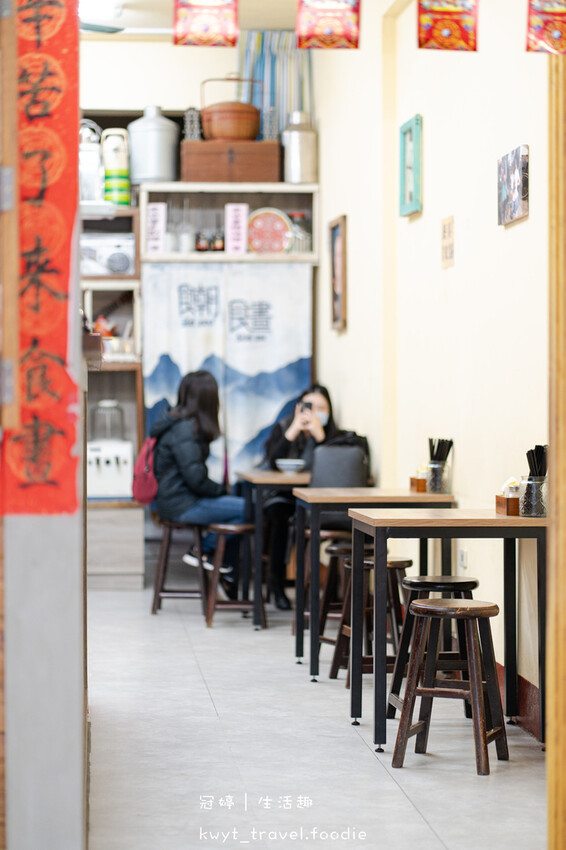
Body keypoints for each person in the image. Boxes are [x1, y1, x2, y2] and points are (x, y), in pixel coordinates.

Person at [150, 370, 245, 600]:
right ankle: (206, 552)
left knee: (244, 505)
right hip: (182, 504)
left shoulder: (180, 423)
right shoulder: (185, 429)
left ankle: (225, 570)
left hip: (176, 500)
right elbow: (196, 479)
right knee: (249, 508)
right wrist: (221, 490)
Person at [262, 384, 340, 610]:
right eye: (309, 406)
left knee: (309, 518)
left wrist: (320, 437)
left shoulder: (333, 435)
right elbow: (270, 461)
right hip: (283, 494)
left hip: (317, 497)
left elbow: (334, 470)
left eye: (320, 407)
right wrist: (293, 431)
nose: (314, 412)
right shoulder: (285, 427)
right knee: (280, 515)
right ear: (298, 408)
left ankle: (315, 590)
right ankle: (276, 585)